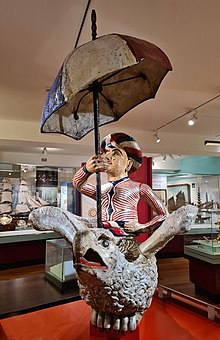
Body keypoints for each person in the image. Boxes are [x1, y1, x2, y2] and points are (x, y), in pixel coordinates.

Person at [73, 132, 167, 237]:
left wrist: (143, 227)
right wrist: (87, 169)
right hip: (103, 234)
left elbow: (163, 214)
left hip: (125, 235)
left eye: (115, 153)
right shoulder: (101, 190)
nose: (108, 157)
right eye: (107, 153)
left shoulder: (139, 188)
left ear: (128, 164)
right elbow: (78, 184)